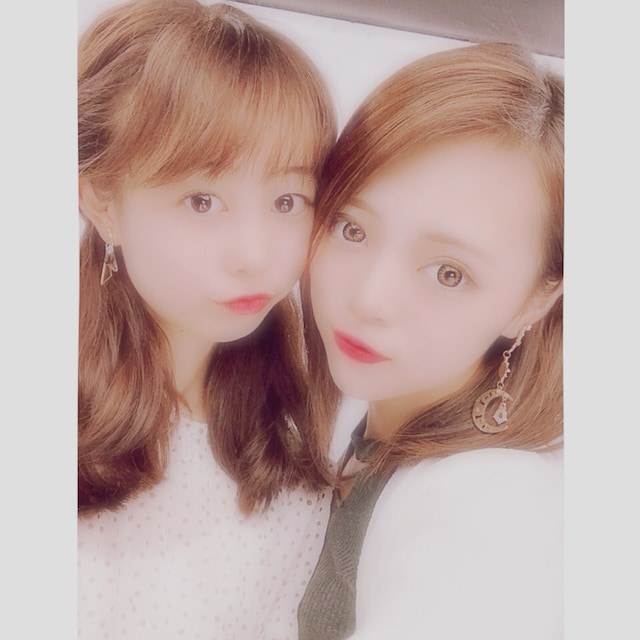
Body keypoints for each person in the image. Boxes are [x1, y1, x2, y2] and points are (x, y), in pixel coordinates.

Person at [76, 0, 337, 637]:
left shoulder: (288, 449)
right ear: (103, 202)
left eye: (287, 200)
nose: (255, 254)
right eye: (202, 200)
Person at [298, 42, 564, 639]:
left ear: (536, 300)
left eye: (449, 273)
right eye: (352, 228)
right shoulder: (386, 438)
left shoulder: (491, 498)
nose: (369, 298)